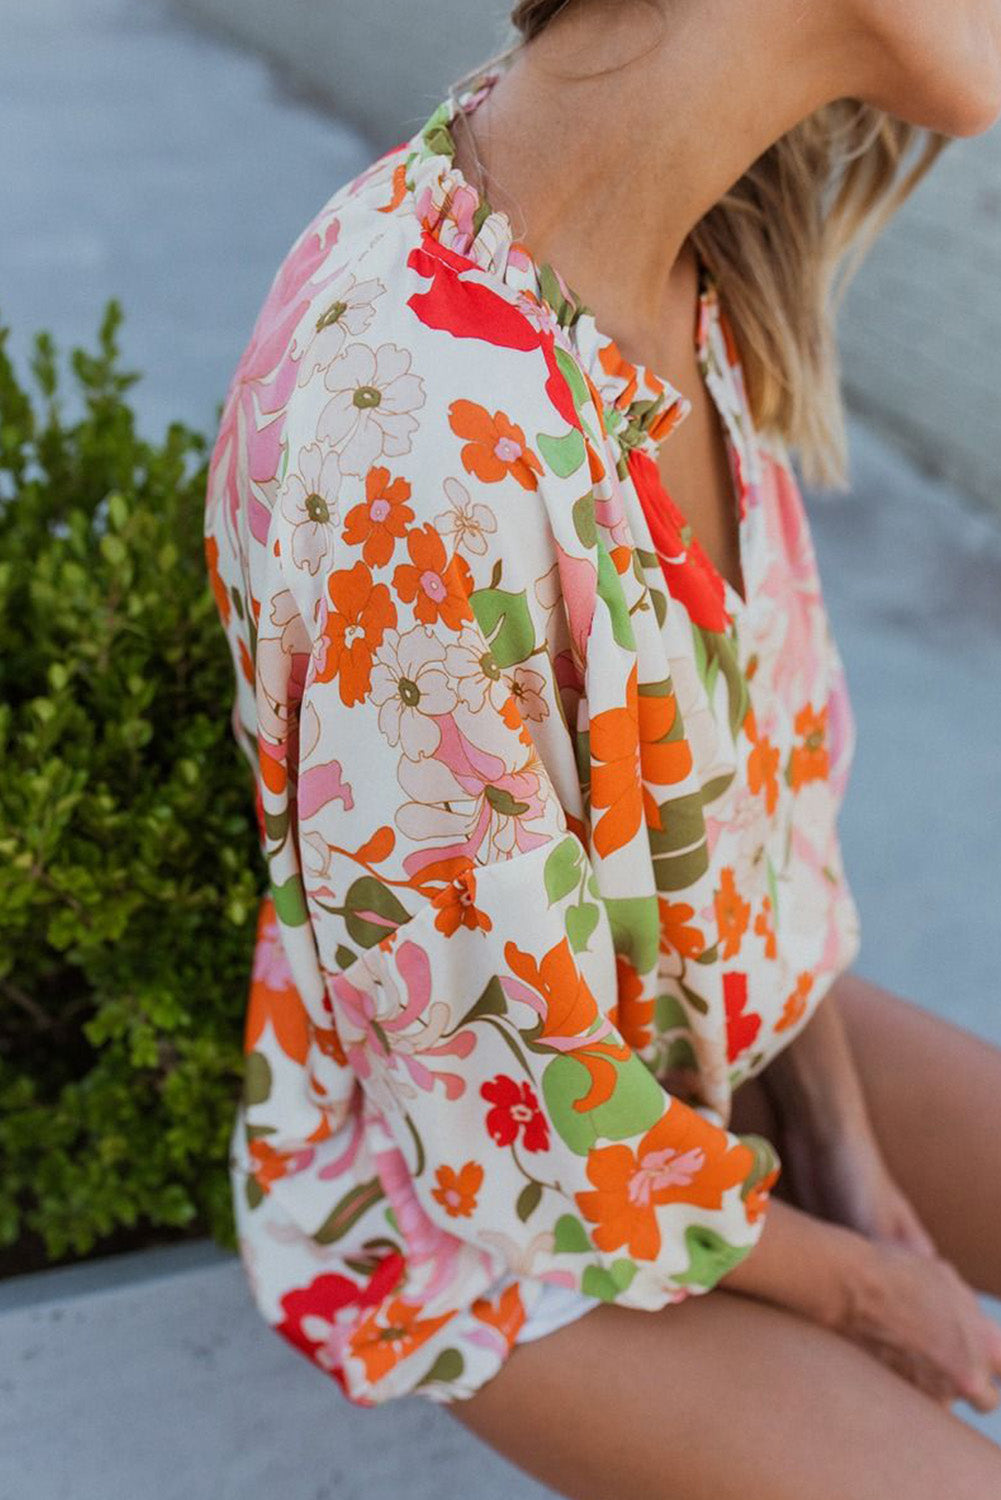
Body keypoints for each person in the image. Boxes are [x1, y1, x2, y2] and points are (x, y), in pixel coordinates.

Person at [202, 0, 1001, 1493]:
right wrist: (856, 1284)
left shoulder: (680, 243)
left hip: (686, 1033)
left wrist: (835, 1146)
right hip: (481, 1203)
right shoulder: (415, 430)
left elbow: (745, 813)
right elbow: (495, 1115)